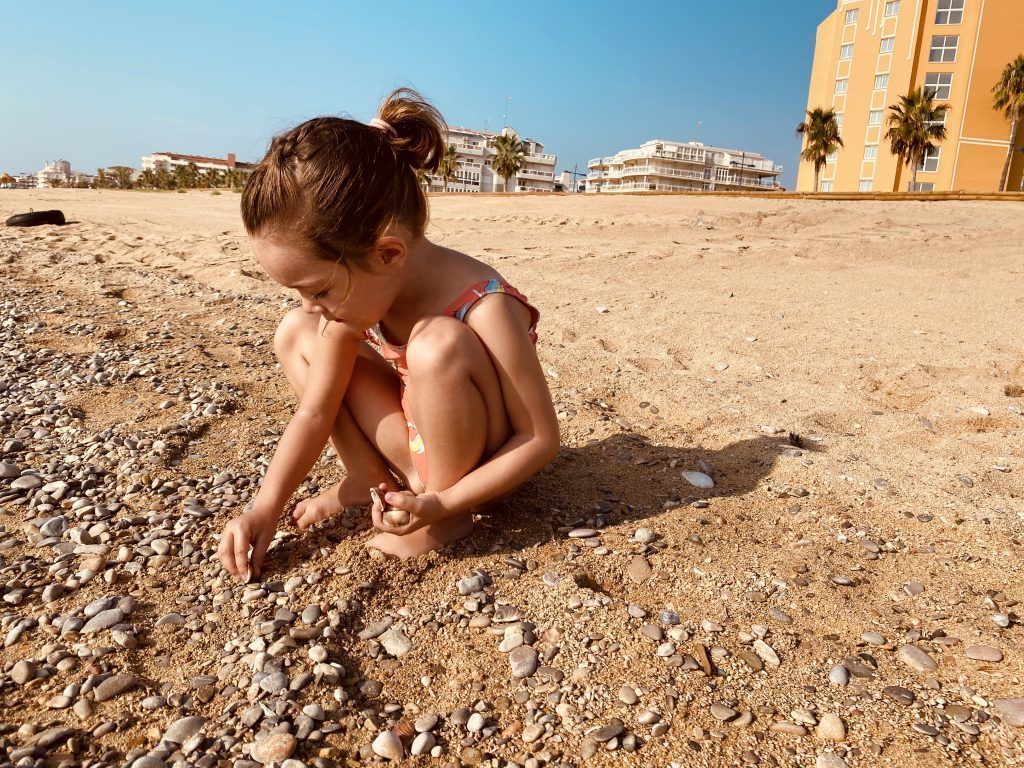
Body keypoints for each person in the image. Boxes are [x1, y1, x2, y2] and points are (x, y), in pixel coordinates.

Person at [217, 88, 559, 579]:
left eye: (319, 290)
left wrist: (441, 503)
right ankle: (369, 480)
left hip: (476, 471)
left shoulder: (485, 306)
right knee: (297, 333)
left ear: (388, 254)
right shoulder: (358, 296)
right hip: (415, 445)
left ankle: (443, 518)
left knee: (436, 343)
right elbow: (315, 410)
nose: (313, 304)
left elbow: (538, 438)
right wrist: (263, 508)